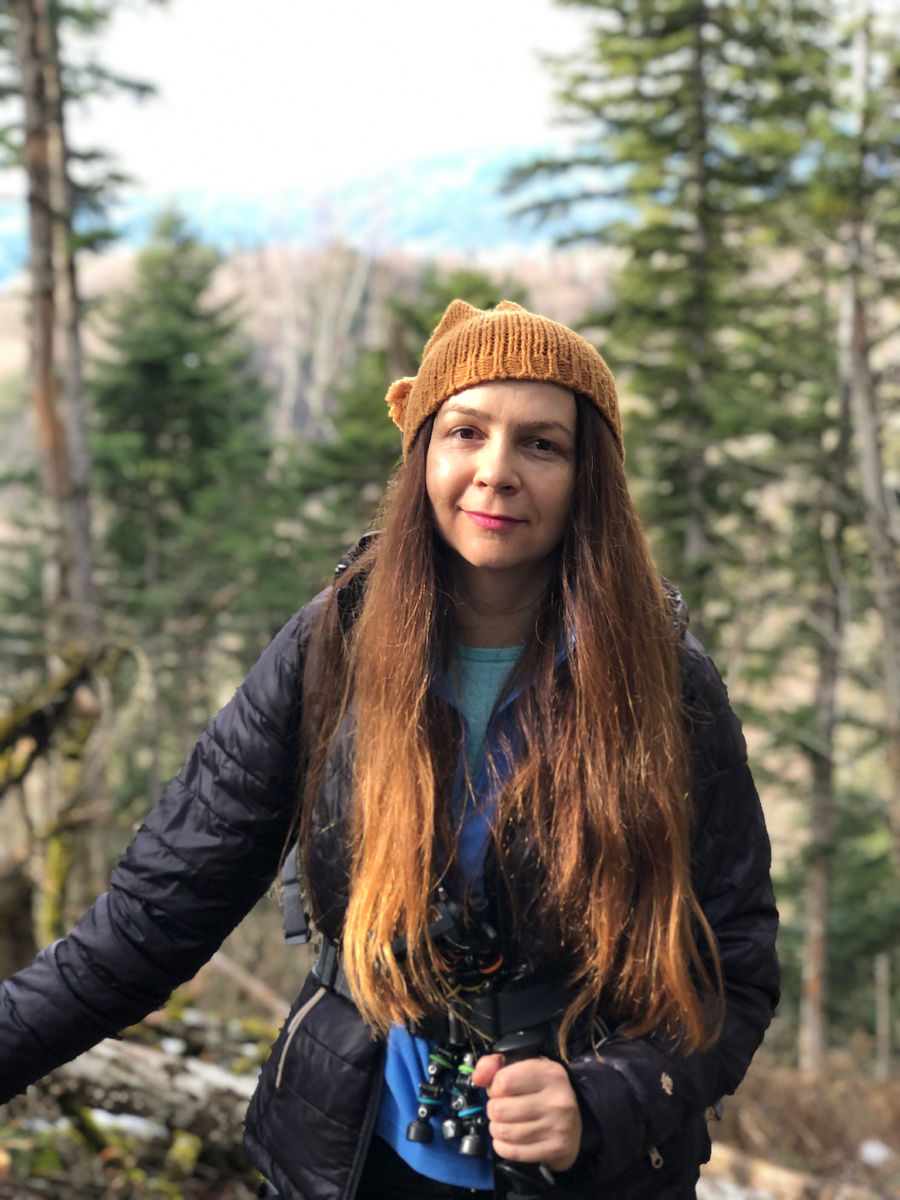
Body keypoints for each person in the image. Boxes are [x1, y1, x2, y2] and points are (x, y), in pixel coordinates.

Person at [0, 300, 779, 1200]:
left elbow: (732, 966)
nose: (496, 472)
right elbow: (153, 917)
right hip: (348, 1157)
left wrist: (601, 1102)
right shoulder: (334, 644)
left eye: (541, 444)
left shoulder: (661, 680)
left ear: (586, 477)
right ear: (422, 455)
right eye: (466, 432)